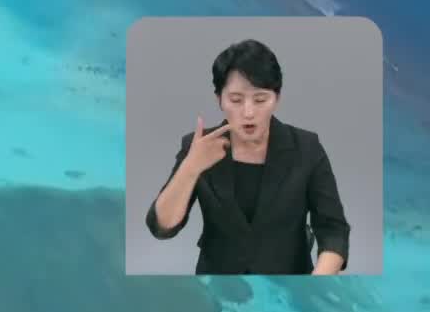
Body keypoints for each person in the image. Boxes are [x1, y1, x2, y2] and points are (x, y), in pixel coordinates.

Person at [145, 38, 350, 274]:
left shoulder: (307, 147)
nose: (249, 112)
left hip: (291, 287)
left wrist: (315, 284)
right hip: (219, 286)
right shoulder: (198, 146)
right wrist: (190, 168)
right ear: (219, 100)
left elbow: (333, 230)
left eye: (260, 99)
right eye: (236, 100)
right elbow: (162, 227)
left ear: (277, 99)